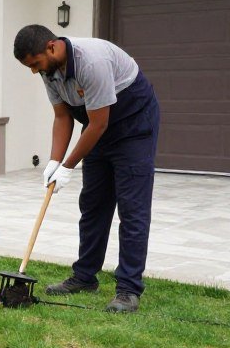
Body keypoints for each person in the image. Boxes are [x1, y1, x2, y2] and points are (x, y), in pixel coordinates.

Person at [13, 25, 160, 313]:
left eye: (34, 64)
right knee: (93, 204)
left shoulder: (91, 62)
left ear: (51, 47)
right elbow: (62, 116)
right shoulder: (49, 70)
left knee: (132, 209)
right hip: (96, 126)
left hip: (133, 126)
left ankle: (128, 290)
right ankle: (84, 276)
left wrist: (69, 165)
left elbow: (100, 124)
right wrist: (54, 161)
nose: (34, 71)